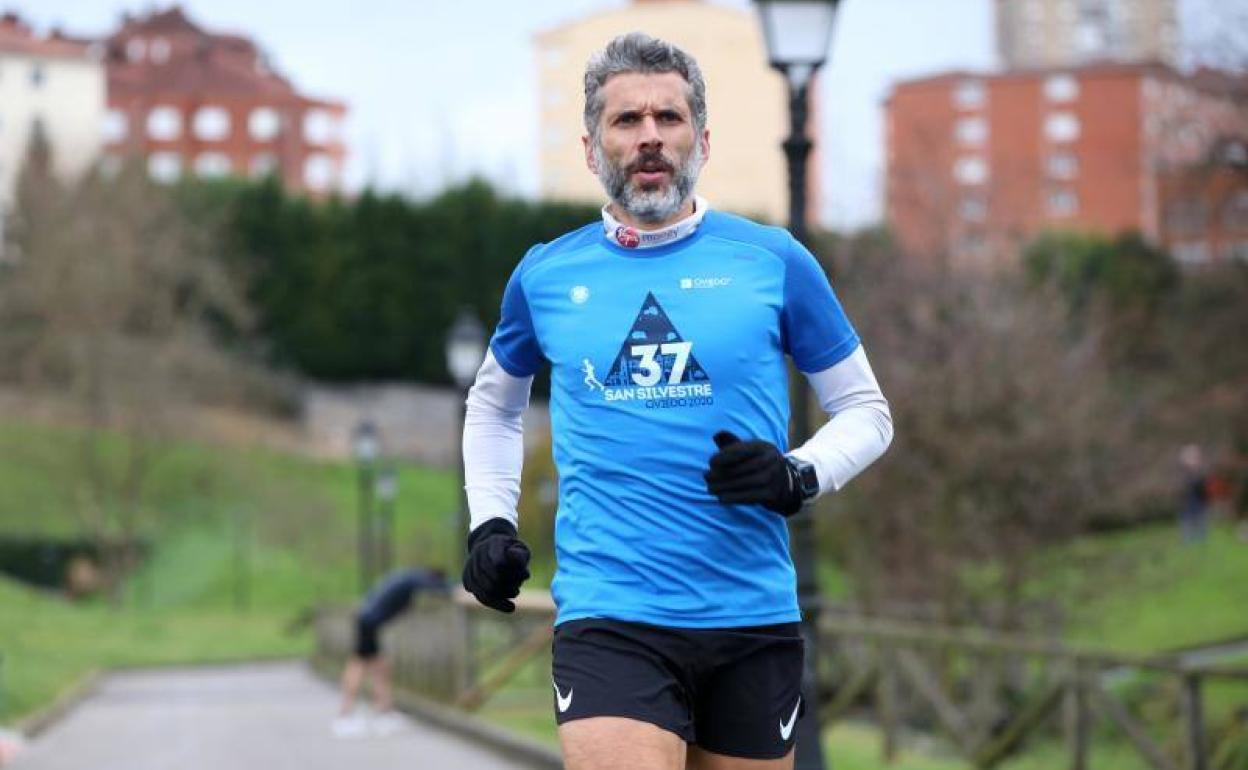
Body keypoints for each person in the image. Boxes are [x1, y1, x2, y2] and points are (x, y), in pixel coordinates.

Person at [460, 33, 893, 770]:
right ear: (593, 148)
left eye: (669, 116)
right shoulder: (546, 276)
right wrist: (489, 524)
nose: (651, 135)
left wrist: (798, 474)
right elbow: (494, 406)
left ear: (703, 139)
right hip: (612, 613)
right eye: (627, 121)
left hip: (750, 613)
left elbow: (866, 410)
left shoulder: (774, 260)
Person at [332, 566, 449, 737]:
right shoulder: (416, 579)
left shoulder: (405, 576)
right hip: (369, 623)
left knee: (380, 668)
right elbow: (444, 589)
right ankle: (346, 716)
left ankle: (383, 712)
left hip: (367, 621)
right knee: (359, 666)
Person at [1178, 444, 1210, 544]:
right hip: (1186, 508)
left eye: (1196, 458)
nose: (1194, 461)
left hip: (1200, 507)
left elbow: (1205, 491)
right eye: (1191, 458)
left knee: (1201, 534)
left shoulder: (1201, 474)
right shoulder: (1181, 475)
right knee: (1188, 535)